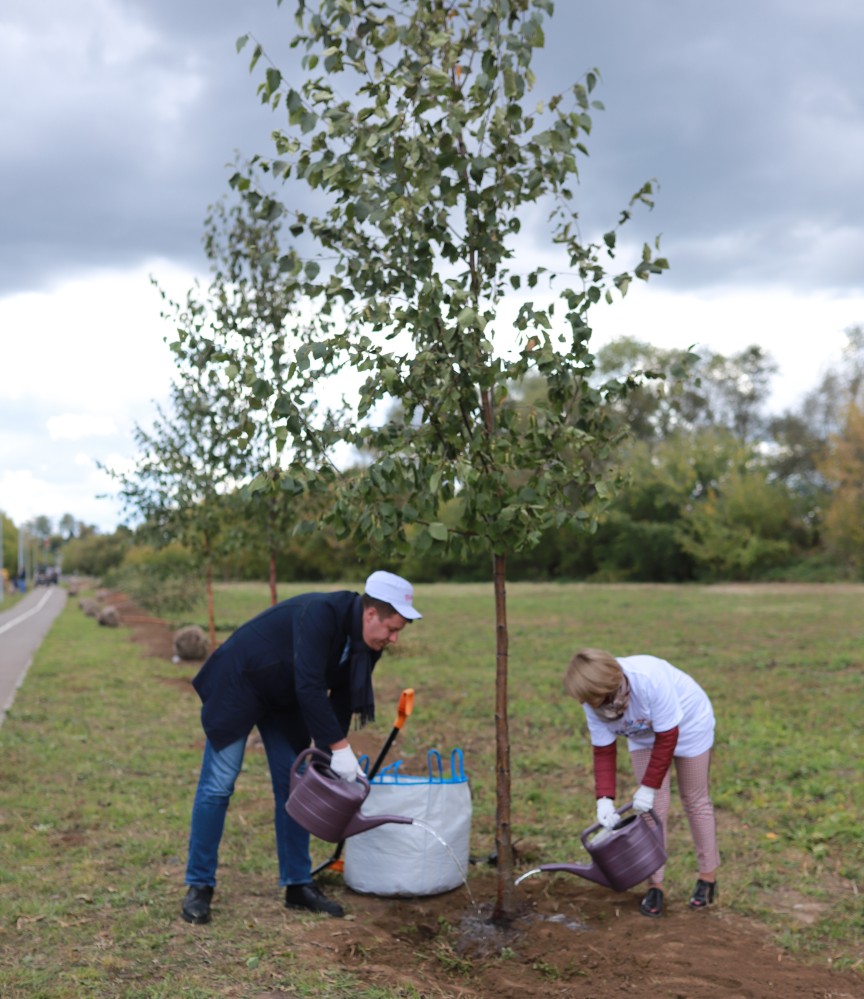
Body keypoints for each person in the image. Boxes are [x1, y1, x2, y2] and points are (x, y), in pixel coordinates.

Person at [181, 570, 423, 925]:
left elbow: (341, 700)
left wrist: (329, 757)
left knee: (295, 787)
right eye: (392, 628)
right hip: (242, 682)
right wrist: (341, 751)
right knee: (219, 785)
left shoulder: (366, 644)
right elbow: (310, 685)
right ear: (371, 614)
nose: (394, 639)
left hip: (284, 696)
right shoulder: (322, 613)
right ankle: (199, 886)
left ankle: (297, 884)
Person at [563, 648, 719, 918]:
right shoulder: (593, 703)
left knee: (695, 801)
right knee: (651, 811)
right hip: (643, 733)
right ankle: (655, 885)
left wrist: (648, 786)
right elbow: (603, 751)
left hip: (689, 725)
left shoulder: (649, 679)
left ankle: (708, 877)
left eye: (594, 698)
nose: (589, 705)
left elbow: (668, 737)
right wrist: (604, 798)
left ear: (610, 686)